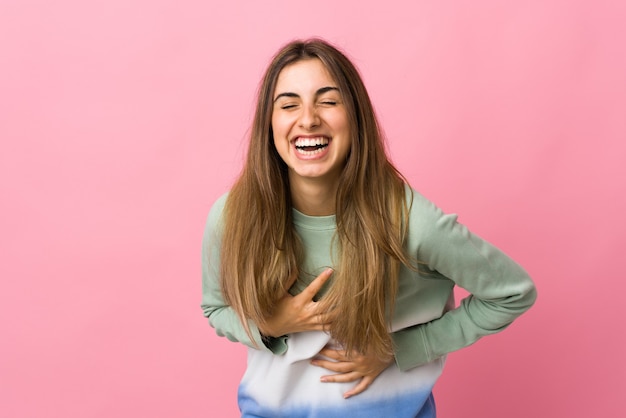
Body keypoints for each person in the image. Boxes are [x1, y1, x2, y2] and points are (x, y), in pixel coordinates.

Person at [201, 38, 536, 418]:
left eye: (328, 101)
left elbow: (513, 293)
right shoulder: (232, 216)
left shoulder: (409, 222)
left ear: (355, 116)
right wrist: (271, 324)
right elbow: (215, 308)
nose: (308, 119)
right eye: (289, 104)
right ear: (269, 123)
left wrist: (401, 348)